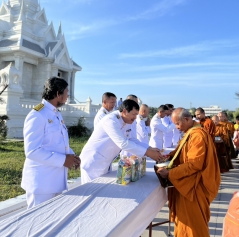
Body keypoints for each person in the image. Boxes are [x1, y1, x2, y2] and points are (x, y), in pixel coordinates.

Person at [158, 108, 220, 237]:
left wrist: (170, 173)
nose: (177, 127)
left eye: (177, 123)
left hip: (196, 186)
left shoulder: (198, 135)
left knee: (197, 223)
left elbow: (194, 164)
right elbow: (184, 151)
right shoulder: (191, 132)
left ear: (186, 120)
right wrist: (170, 156)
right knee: (192, 222)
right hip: (191, 183)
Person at [21, 77, 80, 209]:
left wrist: (72, 156)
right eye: (66, 93)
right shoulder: (37, 115)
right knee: (37, 223)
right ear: (58, 94)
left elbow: (58, 143)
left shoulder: (56, 114)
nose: (68, 96)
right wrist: (63, 160)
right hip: (41, 183)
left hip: (55, 180)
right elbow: (32, 151)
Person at [80, 99, 163, 184]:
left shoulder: (126, 121)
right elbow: (123, 143)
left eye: (136, 115)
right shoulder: (111, 120)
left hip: (106, 161)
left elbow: (132, 139)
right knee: (92, 190)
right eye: (133, 114)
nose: (135, 118)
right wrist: (147, 152)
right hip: (94, 161)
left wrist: (149, 148)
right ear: (124, 111)